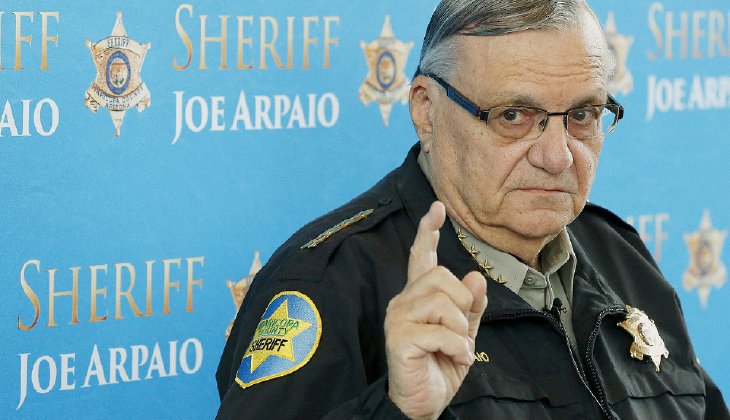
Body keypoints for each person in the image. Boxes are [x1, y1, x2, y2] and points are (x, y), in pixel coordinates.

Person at [216, 0, 730, 418]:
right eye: (514, 115)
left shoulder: (621, 256)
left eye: (583, 115)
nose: (557, 156)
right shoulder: (330, 283)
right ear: (426, 111)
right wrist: (400, 411)